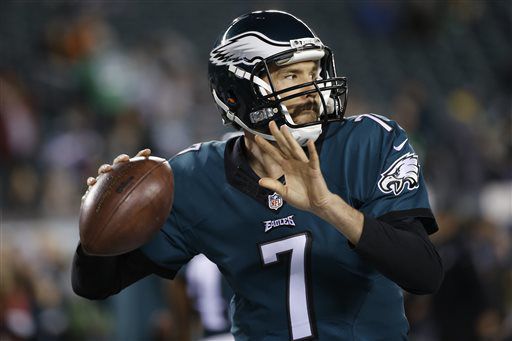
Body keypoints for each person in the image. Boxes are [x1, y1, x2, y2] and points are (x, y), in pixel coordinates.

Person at [72, 10, 444, 340]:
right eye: (291, 75)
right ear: (237, 94)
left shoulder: (367, 142)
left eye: (314, 72)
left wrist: (328, 207)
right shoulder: (193, 177)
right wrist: (101, 219)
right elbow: (94, 284)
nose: (312, 89)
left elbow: (423, 273)